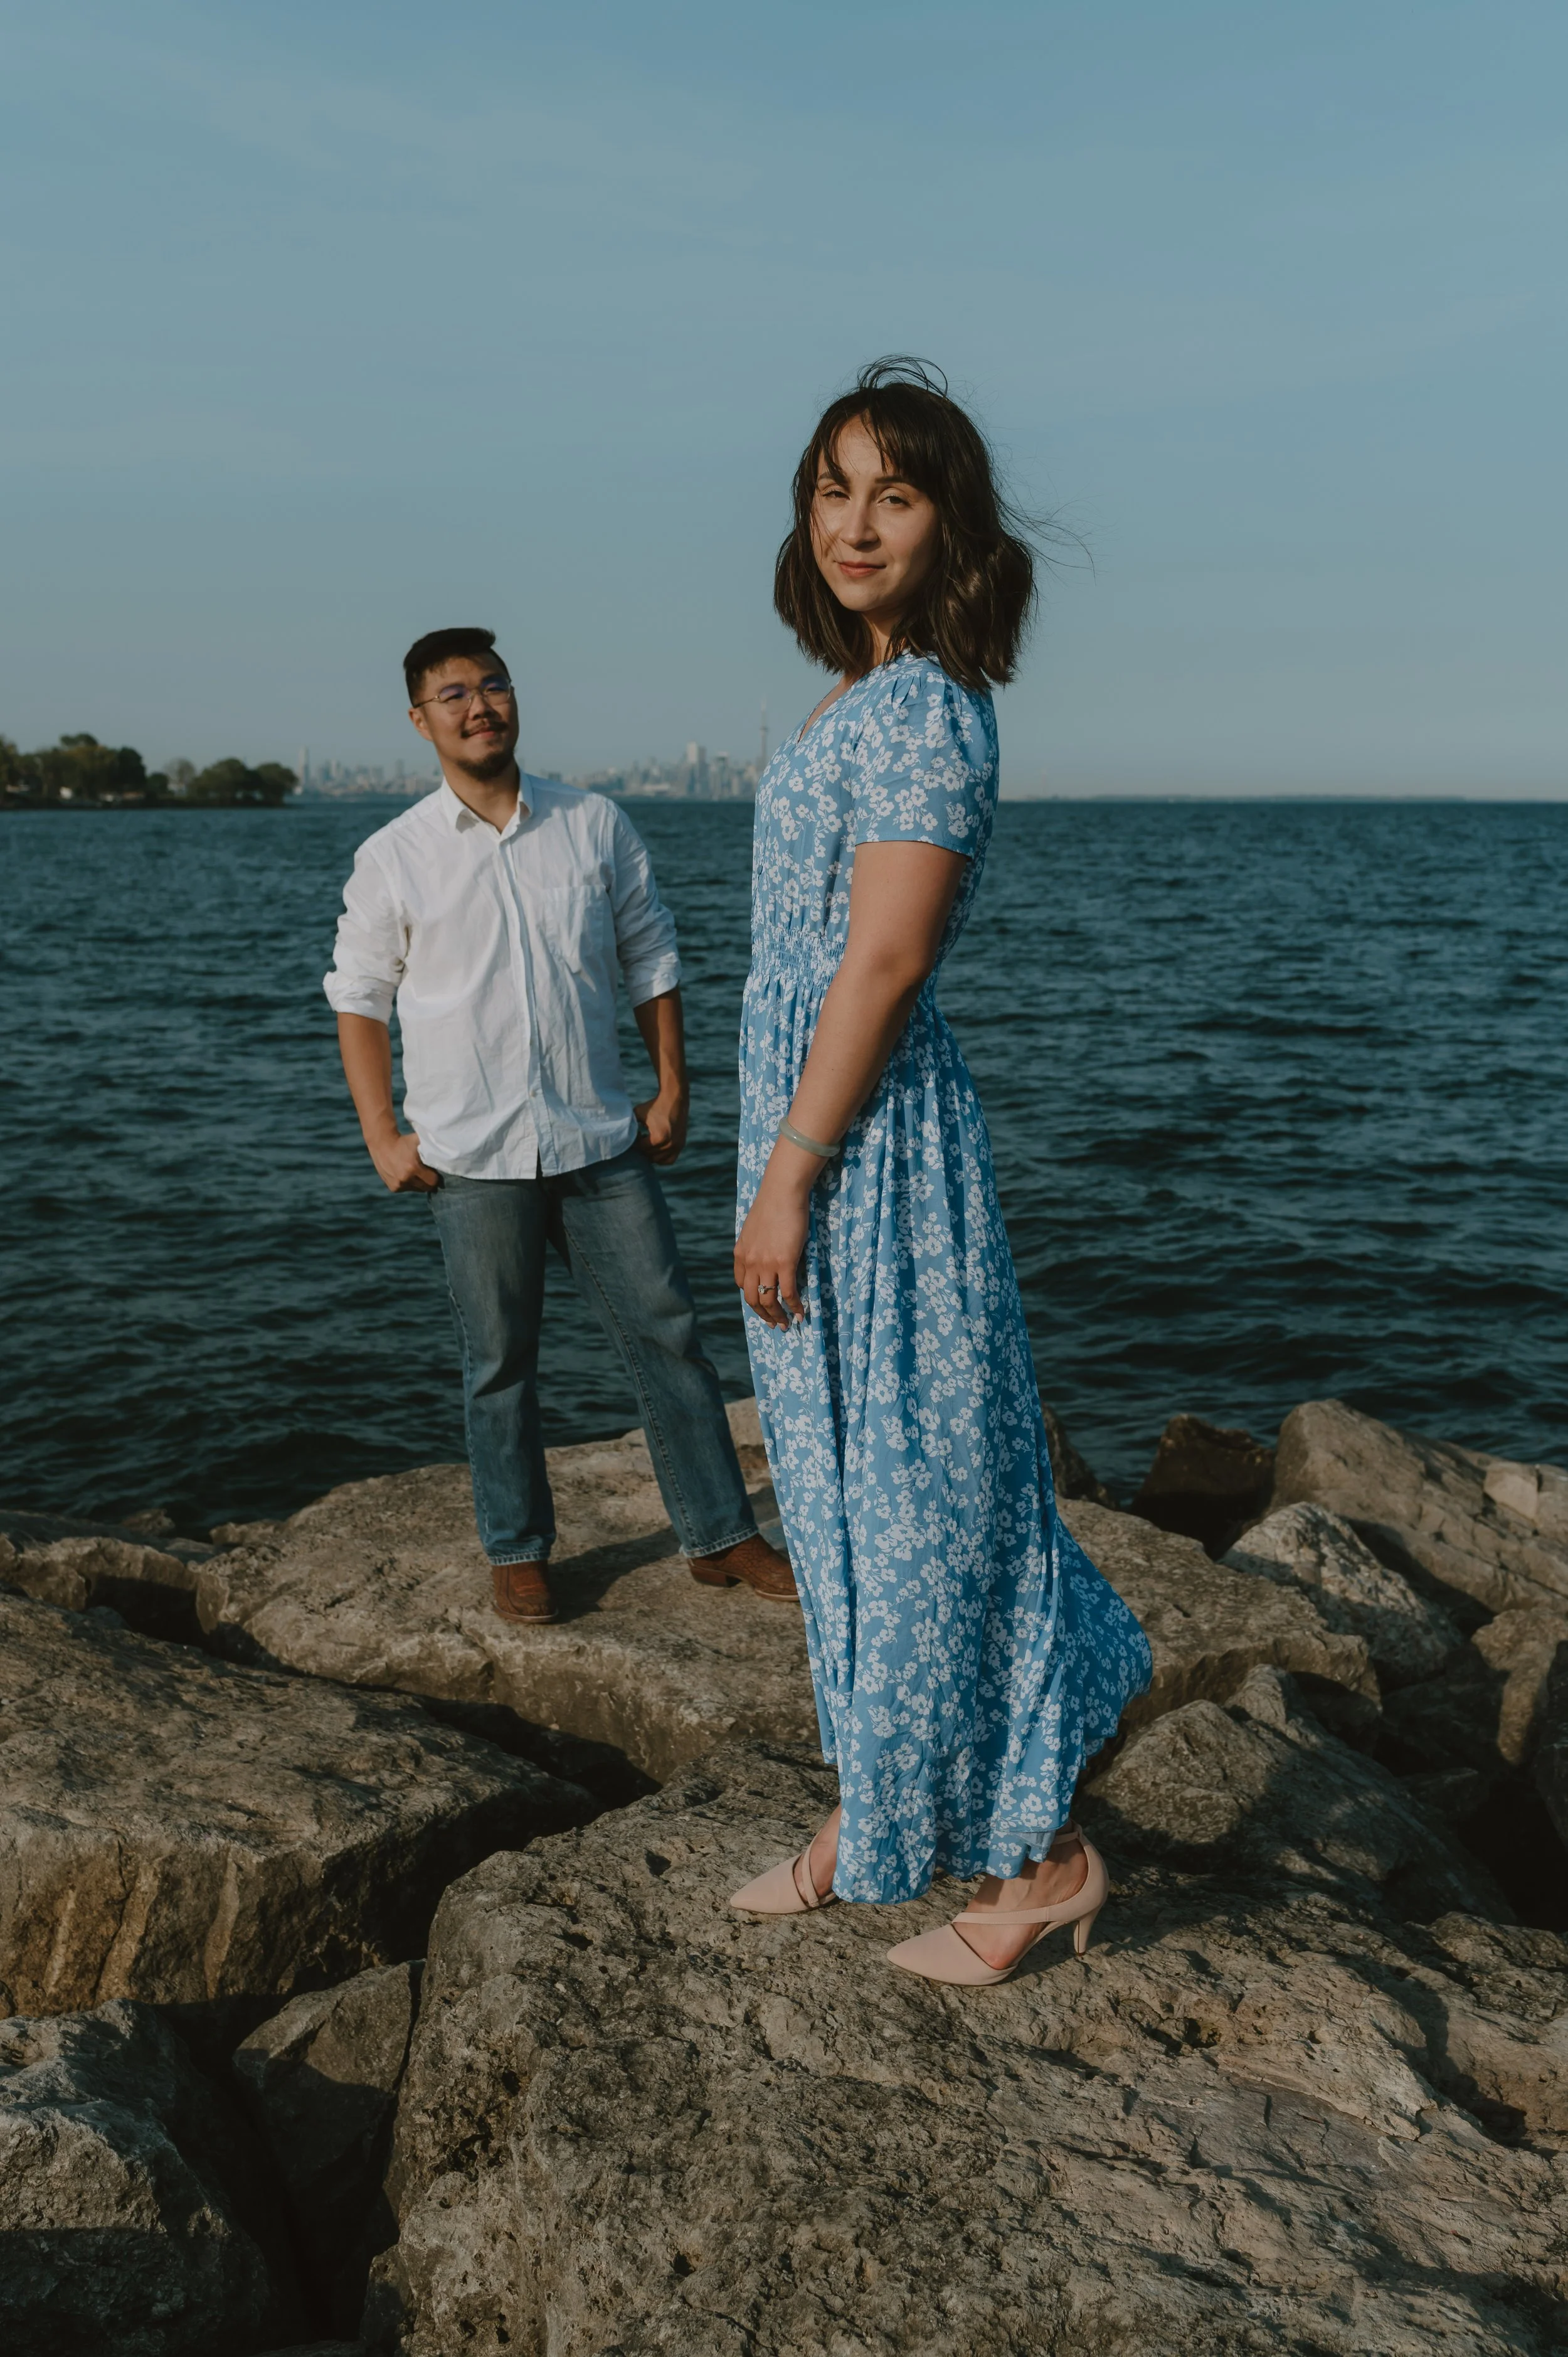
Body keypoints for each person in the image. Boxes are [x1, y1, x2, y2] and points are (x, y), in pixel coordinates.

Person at [728, 362, 1152, 1984]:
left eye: (891, 494)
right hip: (819, 1129)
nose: (850, 521)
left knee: (921, 1496)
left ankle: (1040, 1857)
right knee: (837, 1492)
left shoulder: (928, 712)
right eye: (830, 489)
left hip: (868, 1151)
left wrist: (792, 1174)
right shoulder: (861, 694)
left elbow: (884, 961)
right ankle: (880, 1807)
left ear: (947, 524)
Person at [324, 625, 794, 1625]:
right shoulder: (394, 856)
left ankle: (720, 1534)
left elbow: (651, 957)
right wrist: (380, 1133)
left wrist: (673, 1087)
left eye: (493, 685)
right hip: (471, 1155)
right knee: (499, 1362)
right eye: (453, 695)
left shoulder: (594, 824)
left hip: (600, 1139)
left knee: (670, 1335)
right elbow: (358, 998)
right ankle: (519, 1549)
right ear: (420, 721)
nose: (479, 705)